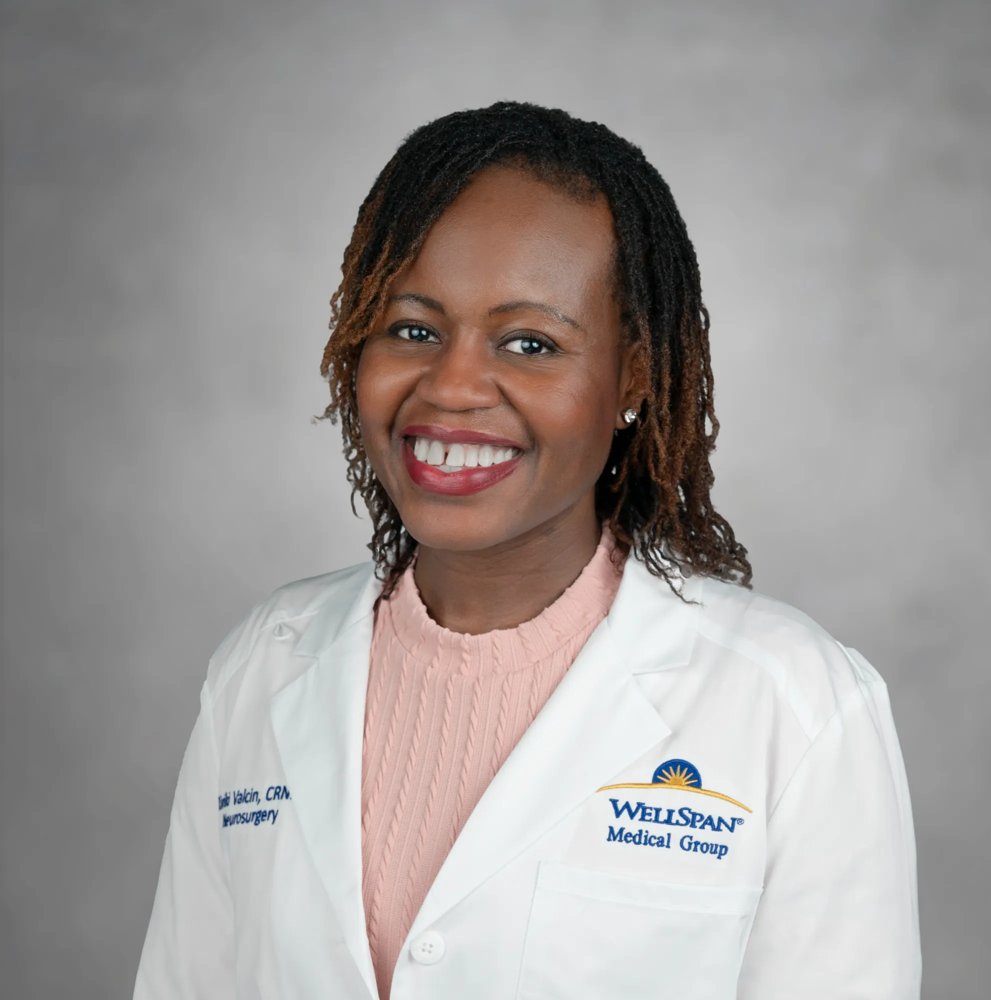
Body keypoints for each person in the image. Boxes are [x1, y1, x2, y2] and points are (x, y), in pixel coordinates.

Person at [134, 102, 921, 999]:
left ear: (632, 377)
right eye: (413, 329)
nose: (453, 386)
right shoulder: (262, 667)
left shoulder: (796, 707)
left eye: (530, 343)